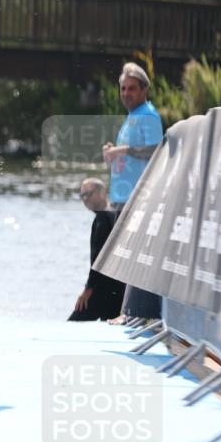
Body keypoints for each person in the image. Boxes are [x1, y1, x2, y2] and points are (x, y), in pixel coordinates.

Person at [103, 62, 164, 321]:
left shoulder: (148, 115)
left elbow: (155, 150)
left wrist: (123, 150)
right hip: (122, 195)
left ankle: (132, 314)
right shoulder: (133, 116)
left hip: (139, 197)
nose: (126, 93)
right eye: (123, 88)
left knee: (134, 253)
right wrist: (113, 152)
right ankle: (127, 312)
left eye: (132, 88)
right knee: (126, 254)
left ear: (144, 90)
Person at [68, 178, 125, 321]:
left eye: (89, 194)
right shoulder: (115, 211)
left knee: (72, 325)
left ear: (102, 192)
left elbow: (99, 257)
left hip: (103, 288)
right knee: (110, 326)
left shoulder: (102, 217)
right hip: (119, 288)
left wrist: (88, 289)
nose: (85, 199)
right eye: (82, 196)